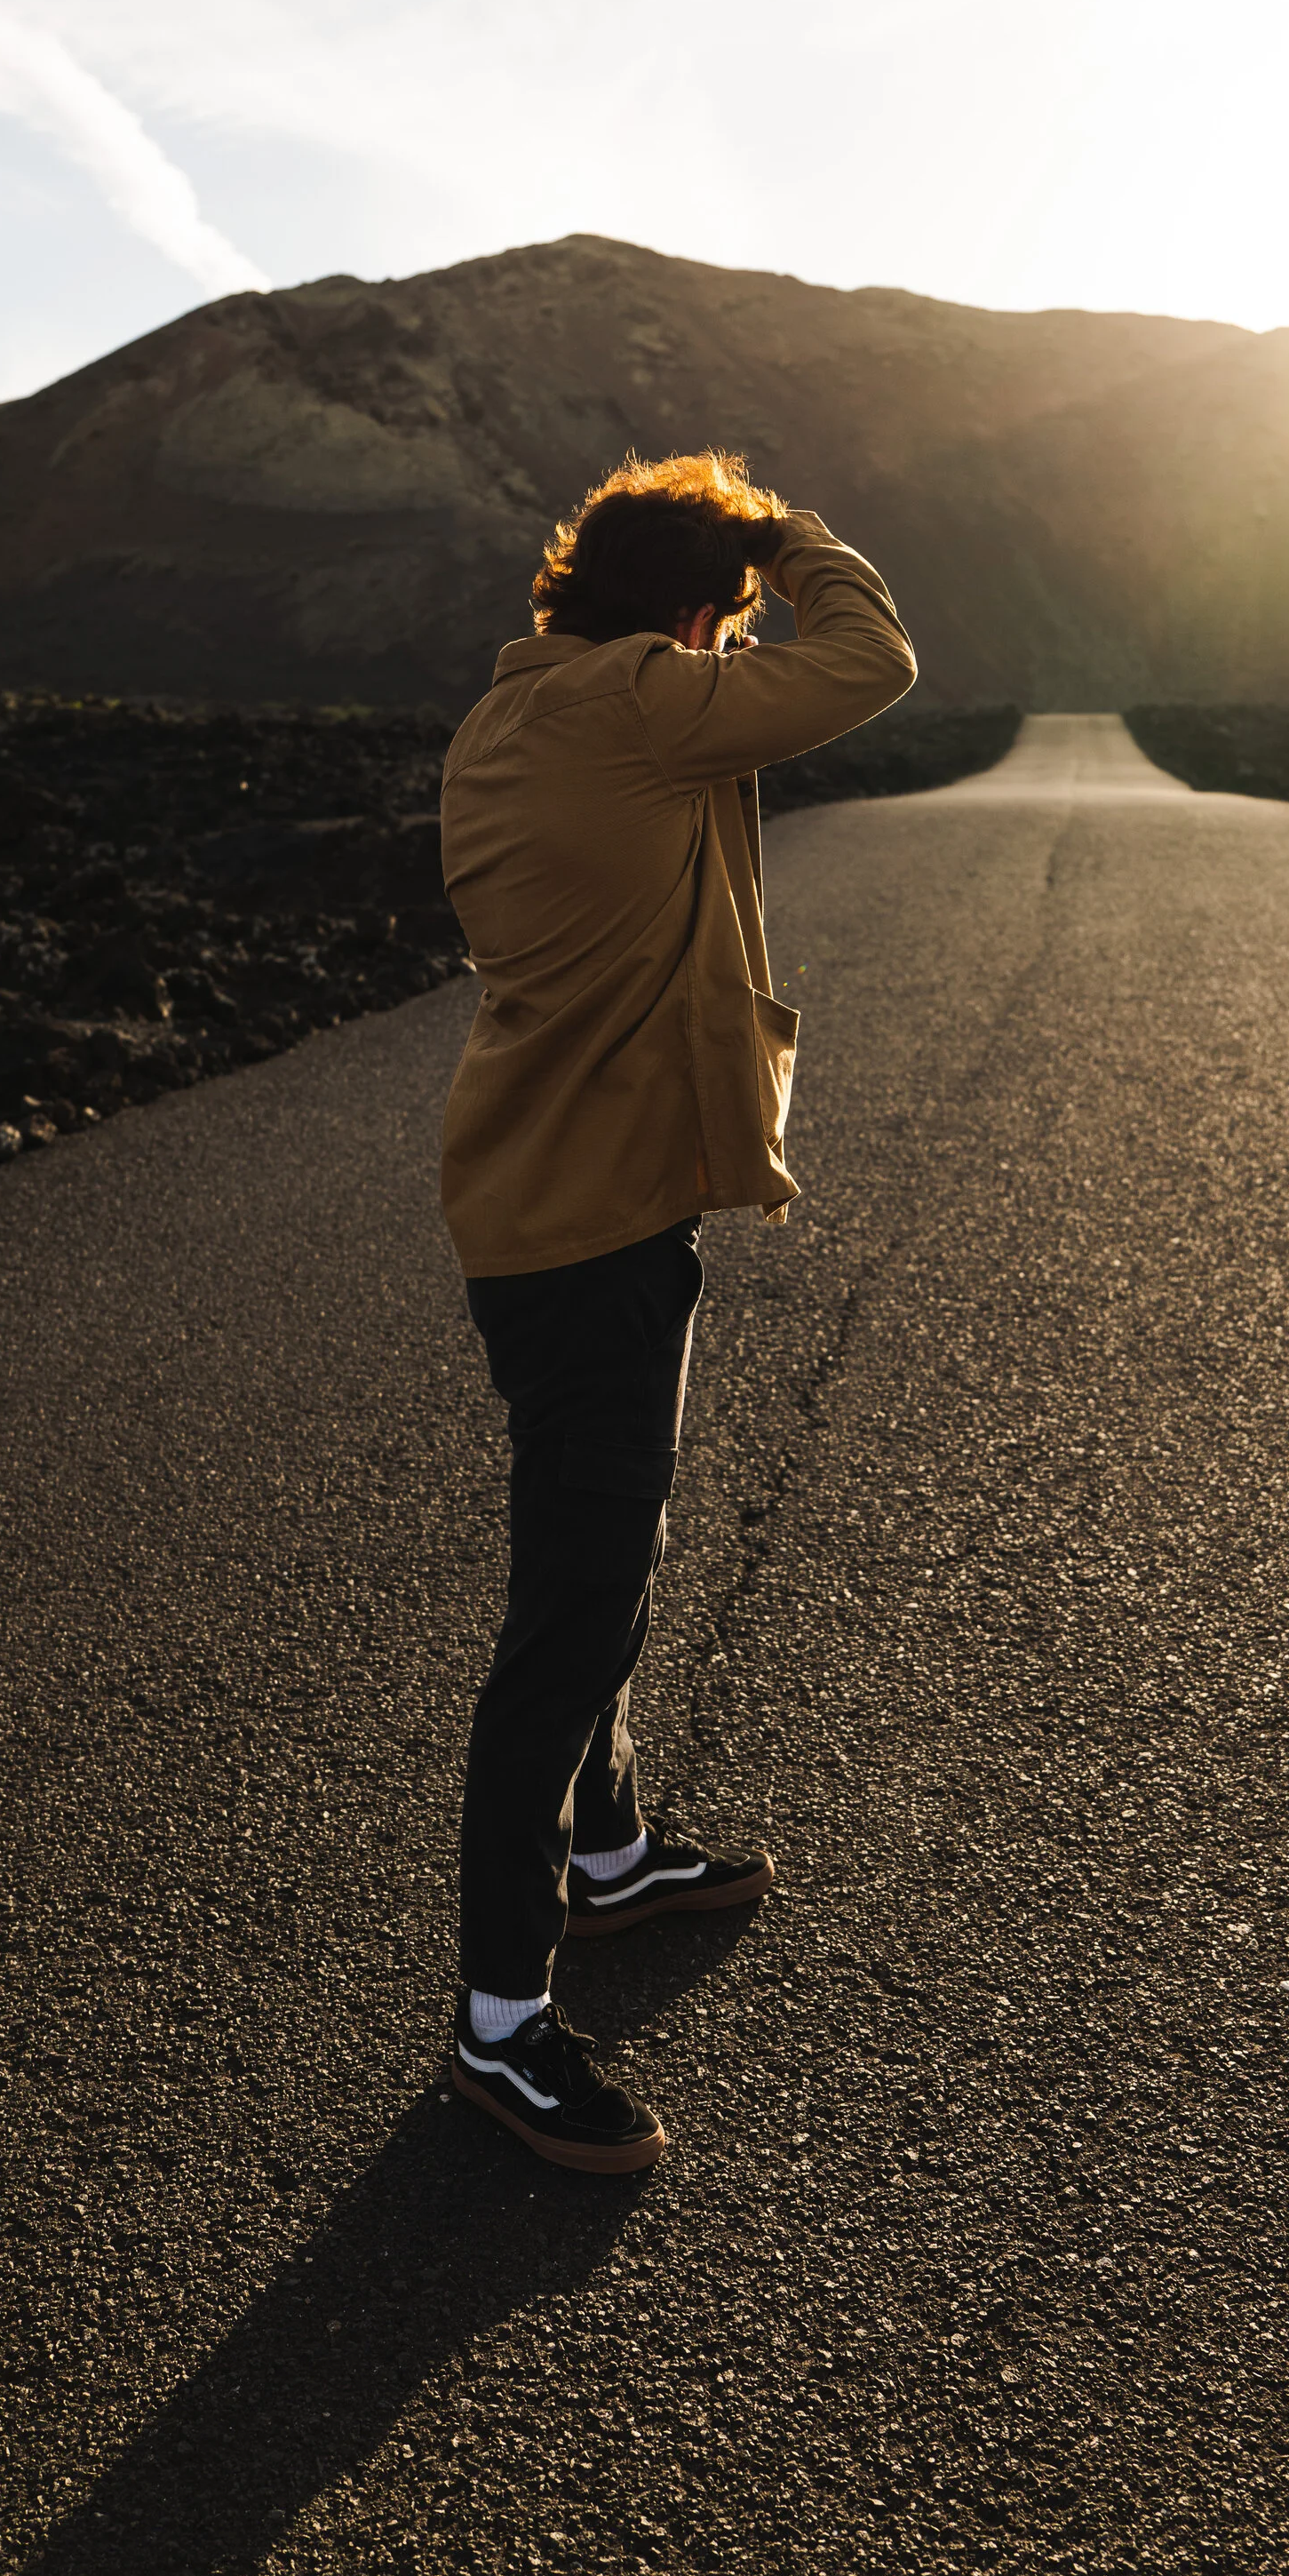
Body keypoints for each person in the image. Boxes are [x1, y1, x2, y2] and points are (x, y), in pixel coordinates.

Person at [436, 450, 916, 2172]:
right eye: (720, 619)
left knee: (610, 1551)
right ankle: (500, 2024)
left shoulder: (523, 705)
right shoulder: (639, 700)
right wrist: (790, 537)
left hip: (566, 1199)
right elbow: (872, 664)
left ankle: (614, 1851)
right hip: (582, 1228)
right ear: (687, 610)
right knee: (565, 1612)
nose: (732, 651)